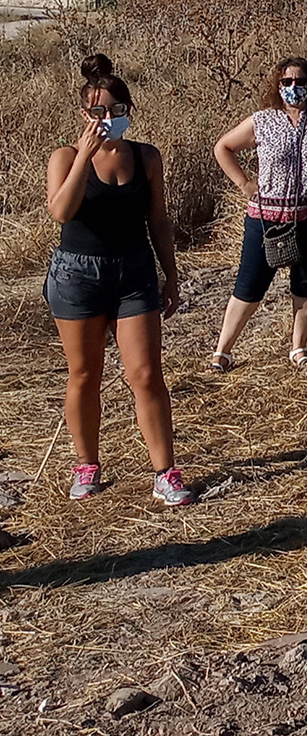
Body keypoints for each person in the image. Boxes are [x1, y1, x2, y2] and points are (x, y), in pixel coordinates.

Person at [43, 55, 192, 506]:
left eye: (114, 110)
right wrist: (84, 158)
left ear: (128, 110)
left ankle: (165, 472)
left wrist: (171, 274)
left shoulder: (146, 156)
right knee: (84, 373)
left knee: (146, 374)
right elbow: (60, 211)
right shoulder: (65, 156)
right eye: (96, 112)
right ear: (83, 115)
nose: (106, 119)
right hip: (78, 273)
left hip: (134, 271)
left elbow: (159, 219)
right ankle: (86, 464)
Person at [208, 58, 307, 370]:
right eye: (287, 82)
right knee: (250, 285)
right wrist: (244, 183)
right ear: (277, 86)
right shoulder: (262, 120)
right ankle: (222, 352)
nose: (294, 87)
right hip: (267, 218)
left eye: (300, 81)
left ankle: (299, 348)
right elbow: (223, 148)